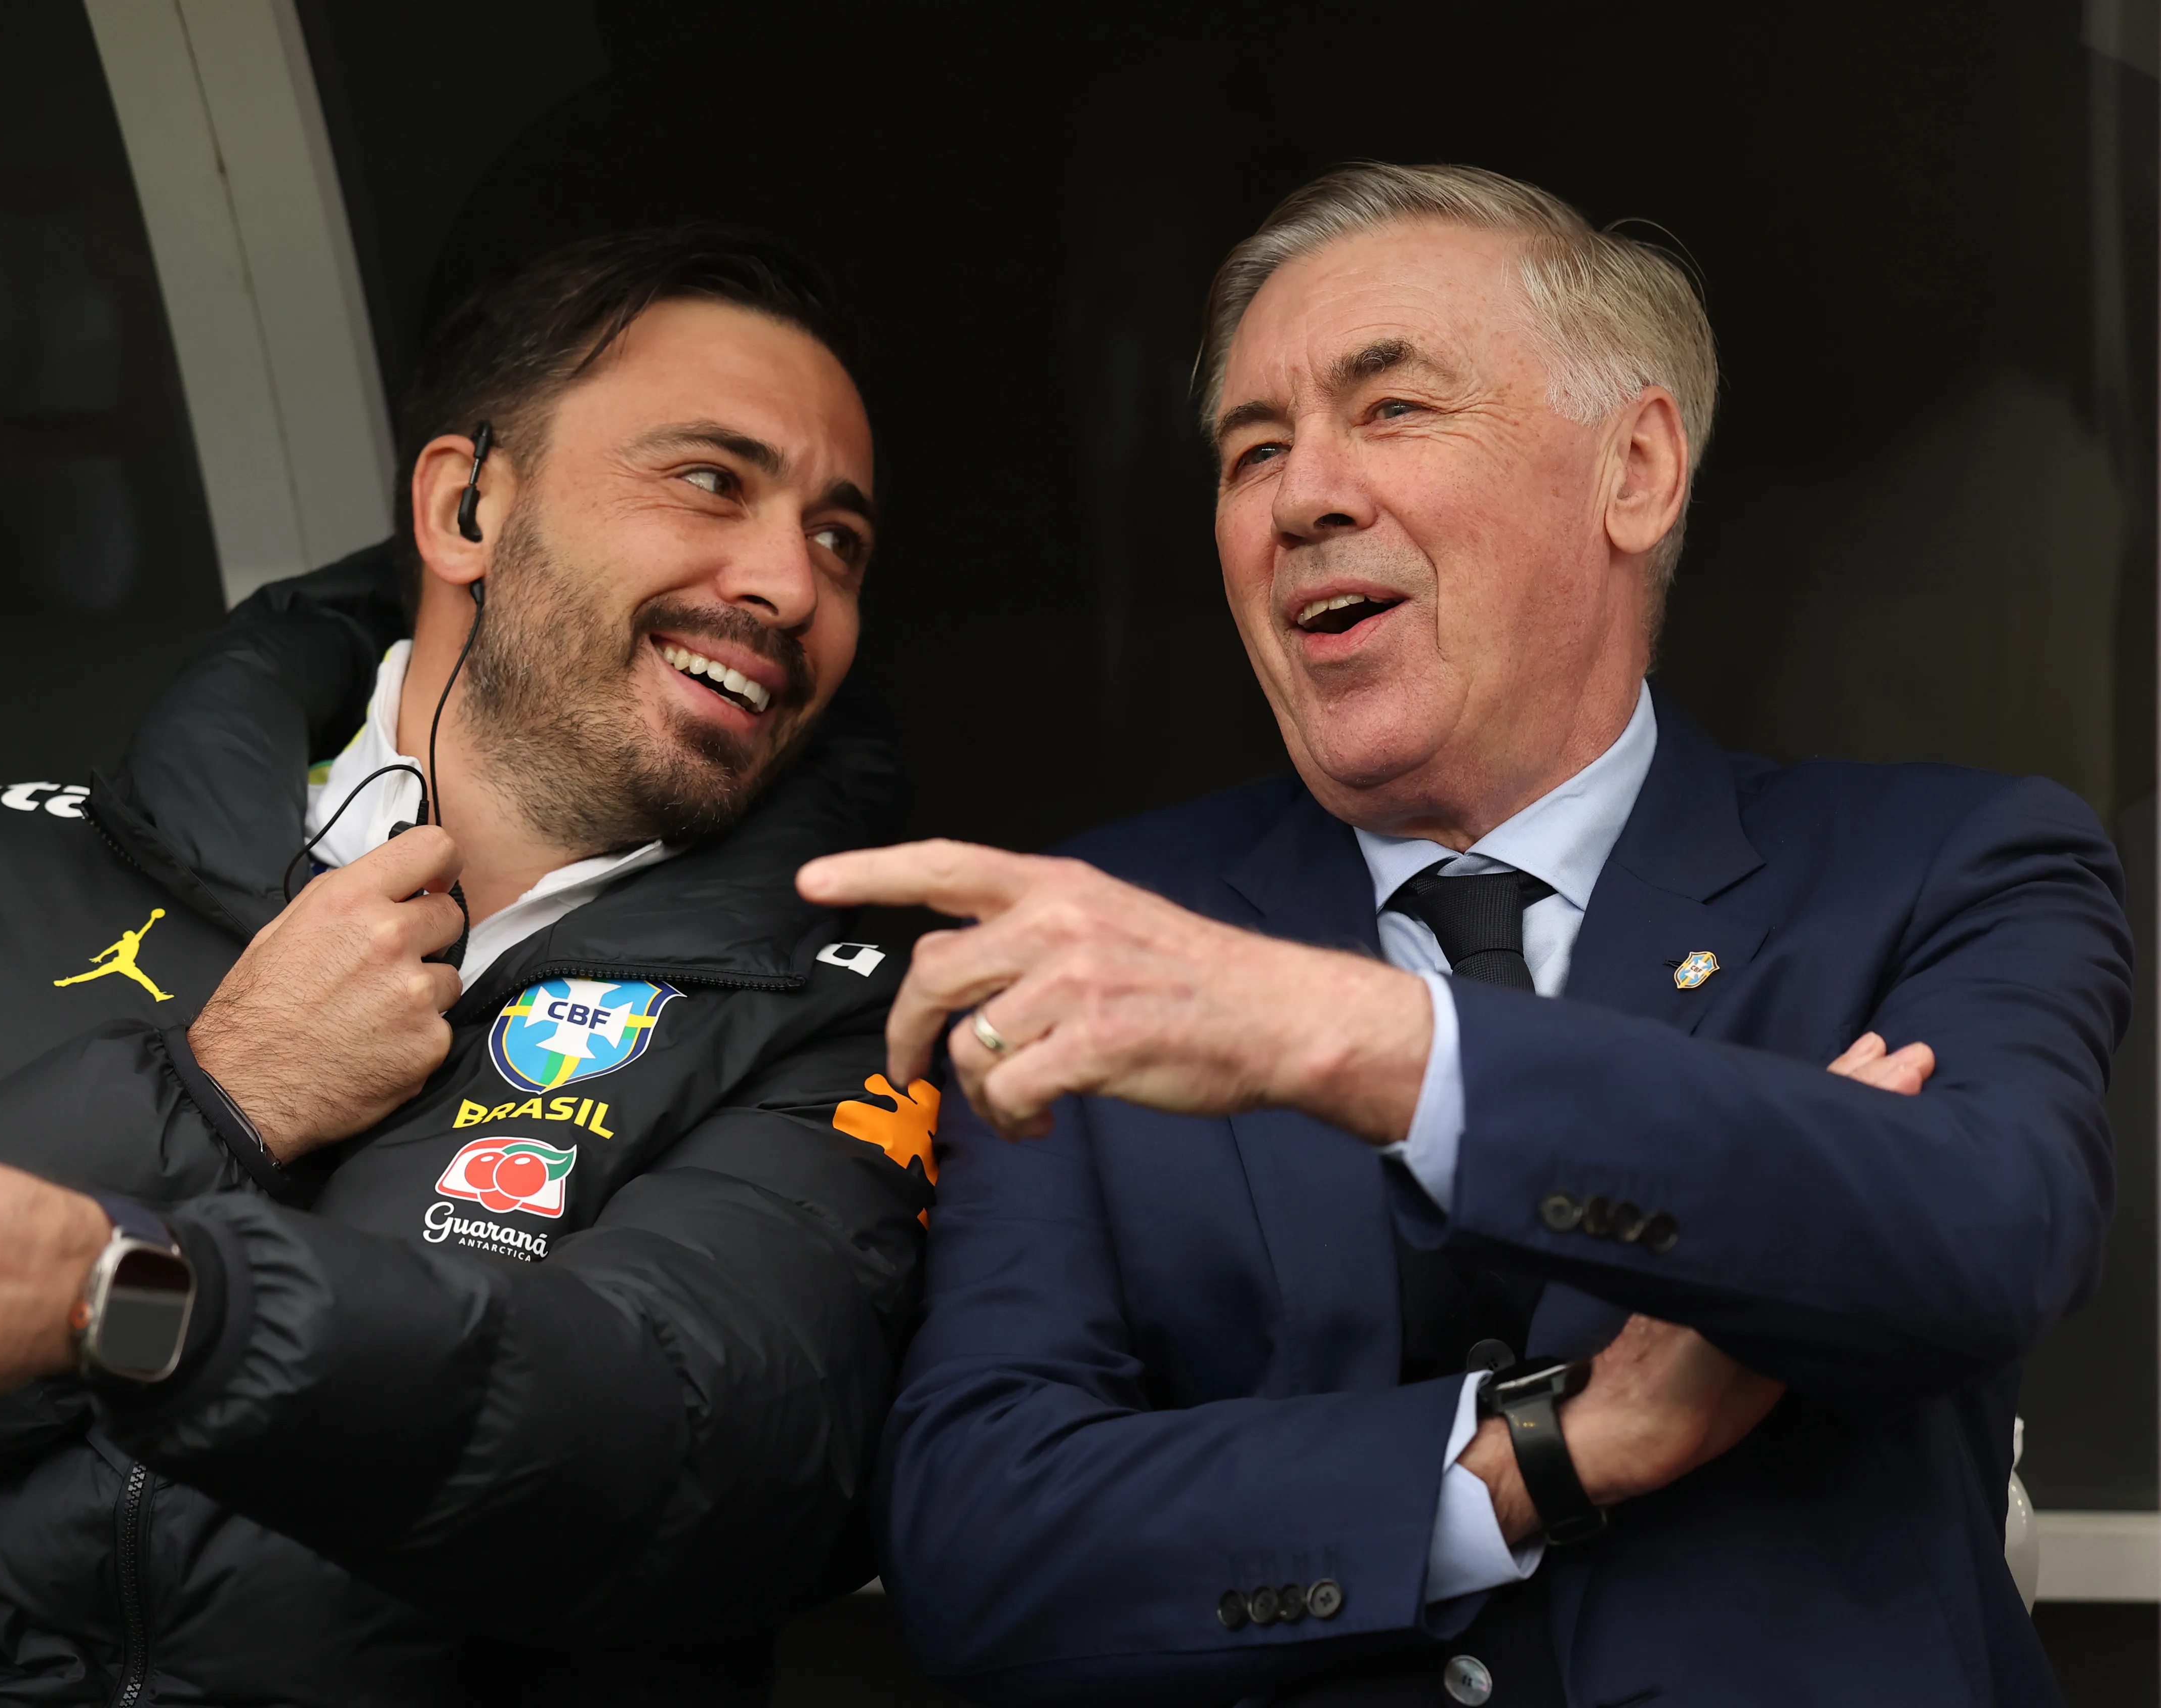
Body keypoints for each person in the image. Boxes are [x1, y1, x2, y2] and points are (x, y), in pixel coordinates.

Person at [801, 164, 2128, 1706]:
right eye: (1251, 448)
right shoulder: (1099, 939)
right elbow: (981, 1544)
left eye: (1392, 411)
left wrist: (1375, 1046)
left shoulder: (1938, 864)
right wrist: (1533, 1462)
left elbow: (1976, 1232)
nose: (1302, 496)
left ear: (1632, 471)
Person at [0, 228, 936, 1707]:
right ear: (467, 504)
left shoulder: (856, 998)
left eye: (840, 540)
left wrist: (134, 1300)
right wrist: (207, 1092)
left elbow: (703, 1476)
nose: (789, 584)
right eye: (710, 480)